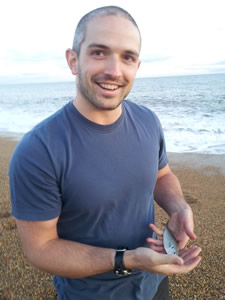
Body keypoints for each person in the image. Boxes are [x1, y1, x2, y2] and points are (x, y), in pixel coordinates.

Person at [9, 6, 201, 300]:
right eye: (99, 52)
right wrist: (128, 259)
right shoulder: (38, 151)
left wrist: (178, 207)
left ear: (137, 66)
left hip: (154, 283)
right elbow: (42, 249)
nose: (114, 70)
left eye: (127, 57)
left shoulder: (148, 121)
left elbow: (162, 175)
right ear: (73, 61)